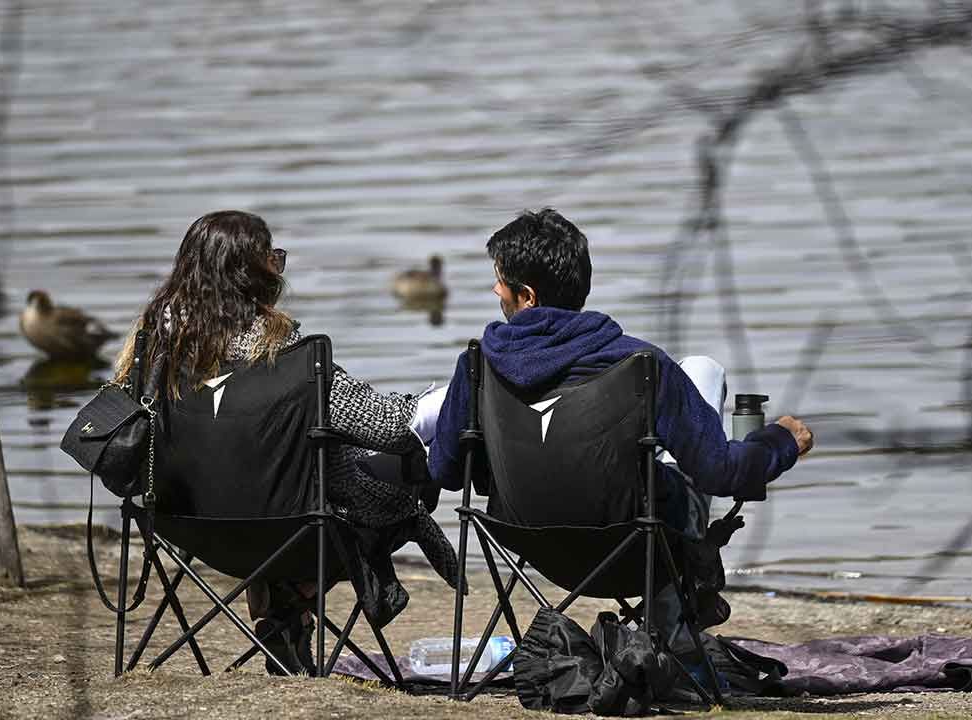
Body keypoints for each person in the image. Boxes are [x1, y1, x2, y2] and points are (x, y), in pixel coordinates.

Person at [426, 208, 814, 653]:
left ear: (527, 297)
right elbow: (720, 472)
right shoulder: (641, 365)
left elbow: (447, 471)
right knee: (703, 374)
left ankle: (671, 622)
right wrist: (781, 441)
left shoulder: (477, 366)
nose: (496, 290)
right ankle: (671, 623)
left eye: (500, 281)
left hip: (530, 547)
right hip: (637, 552)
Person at [112, 210, 461, 675]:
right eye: (274, 259)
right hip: (299, 538)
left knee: (280, 483)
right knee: (392, 478)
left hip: (191, 531)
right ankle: (293, 598)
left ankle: (284, 613)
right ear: (254, 276)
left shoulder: (150, 359)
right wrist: (451, 394)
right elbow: (390, 426)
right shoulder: (295, 363)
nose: (280, 269)